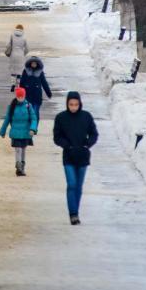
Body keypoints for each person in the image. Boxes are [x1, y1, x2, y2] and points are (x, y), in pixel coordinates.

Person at [53, 91, 99, 225]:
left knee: (78, 186)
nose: (73, 107)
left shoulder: (86, 117)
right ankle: (72, 213)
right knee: (71, 184)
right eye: (71, 104)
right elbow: (57, 137)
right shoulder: (61, 118)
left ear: (80, 104)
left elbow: (94, 134)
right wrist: (67, 145)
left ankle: (76, 213)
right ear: (67, 104)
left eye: (76, 104)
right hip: (69, 156)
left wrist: (87, 144)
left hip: (83, 156)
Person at [0, 86, 38, 176]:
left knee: (23, 149)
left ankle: (22, 167)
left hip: (25, 132)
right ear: (16, 96)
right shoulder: (12, 106)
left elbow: (34, 119)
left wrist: (33, 129)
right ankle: (18, 167)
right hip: (16, 133)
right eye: (19, 96)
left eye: (22, 96)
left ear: (24, 96)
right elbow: (7, 119)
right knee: (18, 149)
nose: (20, 98)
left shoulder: (28, 106)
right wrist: (3, 131)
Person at [20, 55, 52, 125]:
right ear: (30, 63)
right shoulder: (25, 72)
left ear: (37, 64)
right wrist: (20, 94)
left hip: (37, 96)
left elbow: (44, 83)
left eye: (35, 63)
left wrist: (48, 93)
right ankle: (29, 126)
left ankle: (34, 128)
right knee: (28, 112)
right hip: (27, 96)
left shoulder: (40, 72)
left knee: (35, 112)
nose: (34, 64)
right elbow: (22, 82)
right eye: (32, 63)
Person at [5, 24, 29, 91]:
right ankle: (18, 85)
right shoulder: (24, 37)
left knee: (13, 70)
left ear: (16, 29)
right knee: (19, 71)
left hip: (13, 54)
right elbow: (27, 49)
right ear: (22, 29)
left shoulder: (12, 36)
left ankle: (12, 84)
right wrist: (23, 53)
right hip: (20, 55)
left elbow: (7, 45)